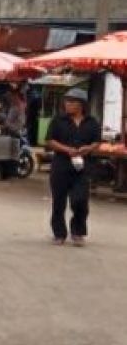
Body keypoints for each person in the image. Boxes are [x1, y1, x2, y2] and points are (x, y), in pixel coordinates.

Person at [45, 88, 101, 246]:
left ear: (81, 104)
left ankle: (77, 232)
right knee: (59, 202)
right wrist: (67, 149)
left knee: (80, 200)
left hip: (83, 167)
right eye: (66, 101)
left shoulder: (92, 122)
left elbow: (97, 141)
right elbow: (49, 141)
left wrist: (88, 148)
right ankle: (59, 233)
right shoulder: (58, 120)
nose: (67, 104)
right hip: (61, 165)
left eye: (72, 102)